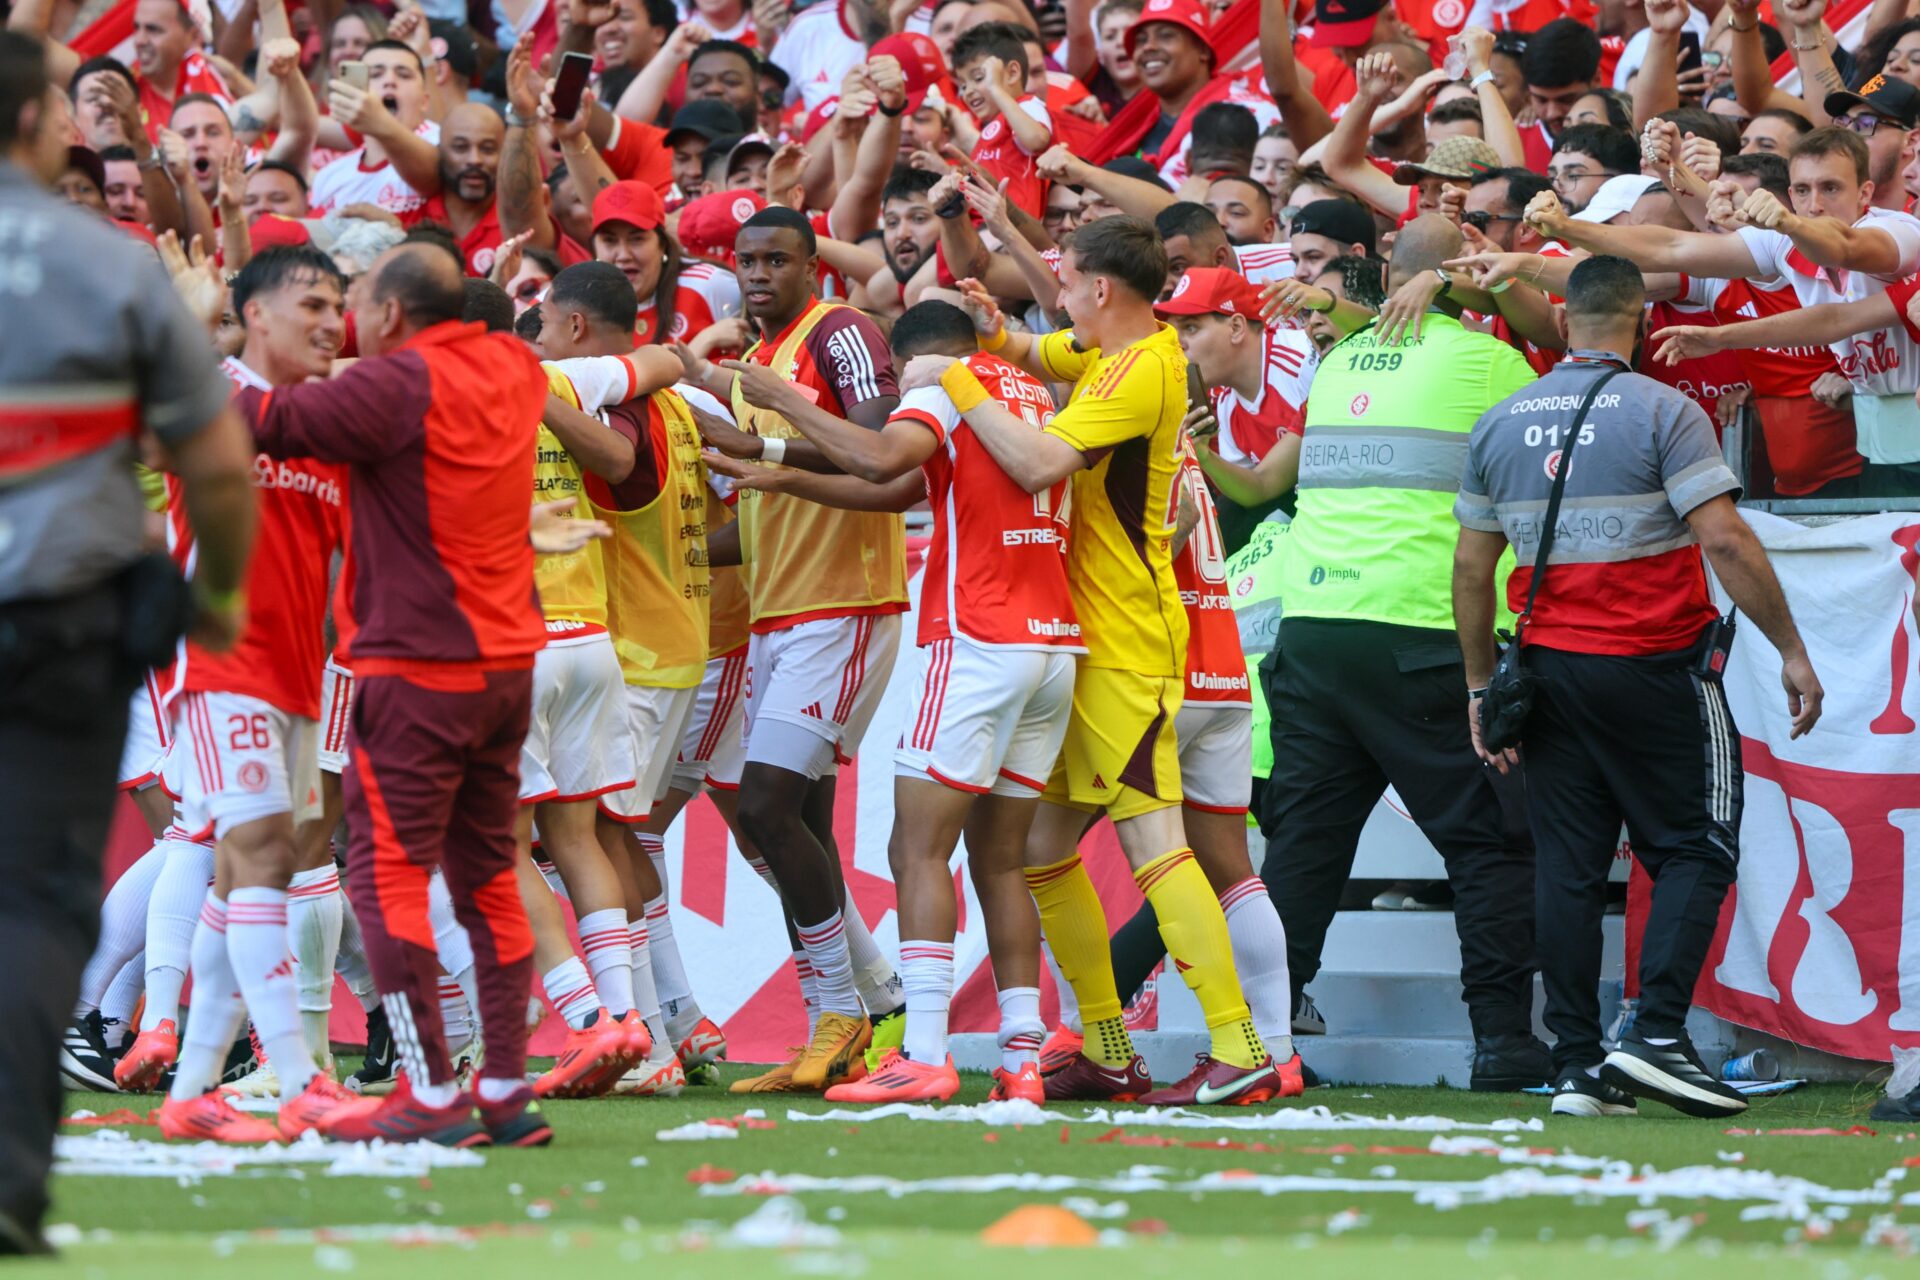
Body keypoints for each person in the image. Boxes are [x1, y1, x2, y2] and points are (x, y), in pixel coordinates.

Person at [900, 215, 1283, 1106]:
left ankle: (1240, 1044)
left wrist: (956, 374)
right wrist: (995, 338)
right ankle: (1106, 1044)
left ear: (1101, 288)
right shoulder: (1117, 354)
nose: (1059, 295)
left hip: (1127, 645)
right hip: (1091, 640)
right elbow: (1044, 353)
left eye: (1066, 281)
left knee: (1157, 843)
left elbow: (1036, 463)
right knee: (1041, 849)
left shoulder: (1143, 367)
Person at [1453, 254, 1824, 1119]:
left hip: (1542, 671)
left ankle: (1578, 1065)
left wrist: (1481, 686)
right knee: (1698, 844)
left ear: (1563, 318)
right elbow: (1725, 540)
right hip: (1653, 665)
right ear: (1642, 325)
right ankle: (1656, 1032)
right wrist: (1793, 649)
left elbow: (1472, 568)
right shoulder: (1665, 407)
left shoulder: (1502, 420)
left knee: (1570, 870)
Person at [0, 29, 255, 1251]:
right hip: (67, 612)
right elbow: (215, 459)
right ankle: (13, 1166)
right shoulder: (112, 270)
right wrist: (210, 601)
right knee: (41, 893)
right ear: (37, 123)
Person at [706, 300, 1079, 1104]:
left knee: (914, 850)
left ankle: (923, 1050)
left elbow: (880, 459)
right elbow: (906, 483)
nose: (897, 388)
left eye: (899, 376)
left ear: (917, 359)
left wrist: (785, 403)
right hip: (1054, 644)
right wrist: (787, 472)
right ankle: (1021, 1057)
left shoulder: (942, 382)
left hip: (978, 638)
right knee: (1001, 857)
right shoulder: (1027, 392)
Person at [231, 243, 553, 1147]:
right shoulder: (514, 365)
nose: (342, 321)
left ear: (393, 314)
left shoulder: (395, 385)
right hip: (505, 665)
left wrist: (193, 341)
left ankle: (431, 1092)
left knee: (385, 876)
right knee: (486, 873)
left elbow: (256, 416)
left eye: (355, 302)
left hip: (416, 668)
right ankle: (502, 1091)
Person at [1259, 215, 1552, 1093]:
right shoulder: (1488, 361)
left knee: (1303, 849)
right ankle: (1503, 1043)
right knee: (1489, 846)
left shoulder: (1338, 362)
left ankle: (1263, 1044)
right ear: (1467, 275)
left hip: (1312, 629)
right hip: (1421, 634)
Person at [681, 207, 910, 1093]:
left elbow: (881, 451)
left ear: (814, 265)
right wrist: (681, 550)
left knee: (768, 811)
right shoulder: (761, 365)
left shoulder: (839, 331)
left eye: (777, 259)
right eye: (747, 261)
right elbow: (769, 498)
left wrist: (775, 420)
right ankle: (842, 1021)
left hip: (845, 604)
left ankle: (845, 1009)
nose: (760, 274)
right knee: (788, 827)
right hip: (782, 610)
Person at [145, 247, 363, 1145]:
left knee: (244, 877)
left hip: (295, 676)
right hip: (217, 662)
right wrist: (191, 325)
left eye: (338, 304)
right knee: (268, 850)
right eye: (311, 302)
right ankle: (299, 1075)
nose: (329, 319)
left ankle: (193, 1088)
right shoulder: (218, 390)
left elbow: (353, 552)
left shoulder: (319, 426)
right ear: (257, 315)